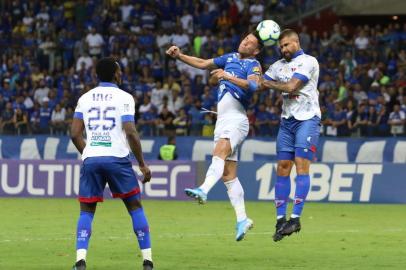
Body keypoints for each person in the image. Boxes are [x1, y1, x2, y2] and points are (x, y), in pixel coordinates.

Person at [166, 32, 263, 241]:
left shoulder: (253, 64)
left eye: (250, 42)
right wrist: (180, 56)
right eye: (244, 38)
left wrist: (227, 76)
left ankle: (203, 189)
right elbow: (202, 63)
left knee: (219, 151)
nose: (244, 41)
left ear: (256, 50)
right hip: (223, 120)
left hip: (236, 119)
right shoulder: (229, 58)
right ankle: (242, 219)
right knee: (229, 175)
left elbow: (254, 85)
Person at [70, 57, 153, 270]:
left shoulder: (85, 98)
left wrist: (89, 152)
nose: (121, 73)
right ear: (116, 74)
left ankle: (80, 260)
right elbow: (131, 132)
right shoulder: (125, 97)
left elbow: (74, 134)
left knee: (86, 211)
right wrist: (142, 164)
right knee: (135, 207)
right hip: (117, 158)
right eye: (120, 70)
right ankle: (147, 260)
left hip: (92, 158)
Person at [259, 29, 321, 242]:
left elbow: (292, 86)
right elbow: (258, 83)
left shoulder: (309, 61)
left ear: (296, 41)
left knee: (301, 163)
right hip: (287, 122)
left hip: (307, 119)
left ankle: (295, 218)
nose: (283, 49)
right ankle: (280, 220)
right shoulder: (277, 66)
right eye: (281, 46)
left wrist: (267, 82)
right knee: (283, 167)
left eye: (287, 45)